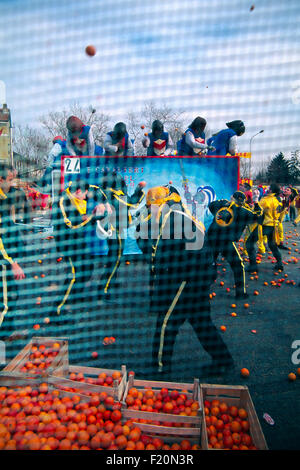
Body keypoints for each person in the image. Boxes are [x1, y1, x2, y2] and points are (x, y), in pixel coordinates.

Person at [136, 184, 234, 379]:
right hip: (199, 274)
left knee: (166, 322)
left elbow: (152, 250)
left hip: (186, 277)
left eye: (150, 205)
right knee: (201, 322)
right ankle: (224, 361)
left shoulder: (169, 219)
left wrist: (140, 225)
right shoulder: (179, 213)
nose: (148, 209)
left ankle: (160, 369)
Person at [205, 191, 263, 299]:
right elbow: (259, 217)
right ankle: (240, 293)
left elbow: (211, 205)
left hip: (212, 238)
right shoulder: (243, 211)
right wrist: (256, 202)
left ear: (232, 197)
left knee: (208, 263)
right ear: (242, 201)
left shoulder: (221, 204)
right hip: (226, 241)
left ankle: (201, 290)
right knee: (238, 265)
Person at [0, 163, 27, 343]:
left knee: (12, 297)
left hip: (9, 257)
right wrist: (12, 262)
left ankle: (6, 334)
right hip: (4, 261)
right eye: (9, 180)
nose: (11, 184)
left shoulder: (4, 197)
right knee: (5, 304)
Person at [39, 116, 103, 189]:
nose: (78, 141)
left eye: (81, 139)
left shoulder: (98, 151)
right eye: (75, 139)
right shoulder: (63, 150)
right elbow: (51, 168)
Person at [245, 183, 284, 272]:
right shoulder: (278, 199)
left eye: (269, 188)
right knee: (272, 245)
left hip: (264, 225)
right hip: (274, 226)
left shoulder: (266, 199)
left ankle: (253, 266)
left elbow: (257, 211)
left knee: (249, 243)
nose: (267, 189)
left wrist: (255, 201)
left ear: (271, 190)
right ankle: (279, 264)